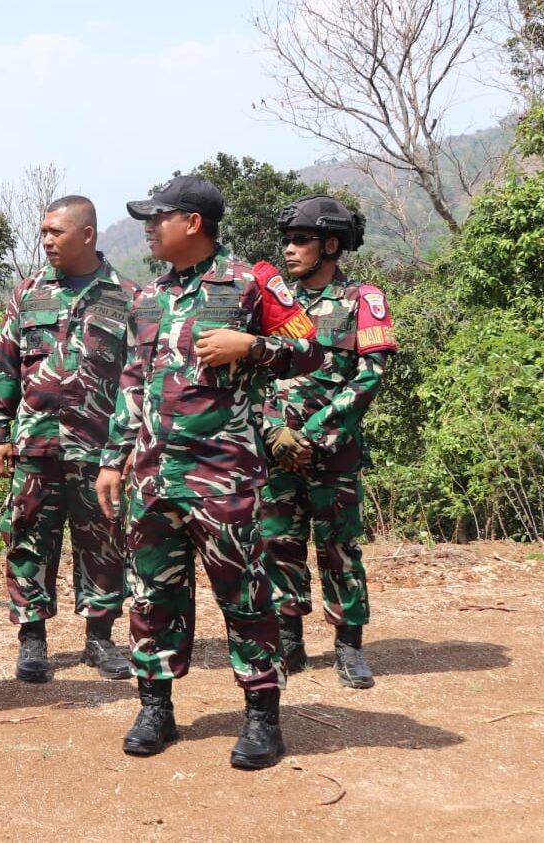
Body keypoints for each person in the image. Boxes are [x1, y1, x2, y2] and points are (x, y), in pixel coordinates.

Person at [96, 175, 322, 770]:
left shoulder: (253, 282)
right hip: (152, 476)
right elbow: (131, 383)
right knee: (151, 596)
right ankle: (156, 706)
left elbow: (312, 348)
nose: (148, 226)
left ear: (192, 223)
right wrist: (113, 458)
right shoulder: (147, 297)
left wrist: (251, 346)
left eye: (158, 216)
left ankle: (261, 717)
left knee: (244, 594)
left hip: (223, 476)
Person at [0, 196, 134, 683]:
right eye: (44, 232)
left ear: (87, 235)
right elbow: (5, 366)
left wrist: (130, 446)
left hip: (100, 450)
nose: (47, 240)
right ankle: (32, 640)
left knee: (103, 541)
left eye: (56, 232)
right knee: (29, 537)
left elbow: (140, 379)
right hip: (36, 443)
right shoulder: (29, 293)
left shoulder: (128, 297)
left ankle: (100, 638)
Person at [261, 195, 395, 690]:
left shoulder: (364, 299)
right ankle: (290, 642)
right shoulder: (276, 305)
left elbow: (370, 376)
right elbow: (259, 375)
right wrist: (276, 431)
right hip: (277, 452)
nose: (289, 250)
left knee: (338, 549)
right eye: (288, 241)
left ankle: (349, 647)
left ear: (331, 245)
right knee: (279, 545)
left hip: (334, 452)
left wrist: (314, 435)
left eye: (301, 240)